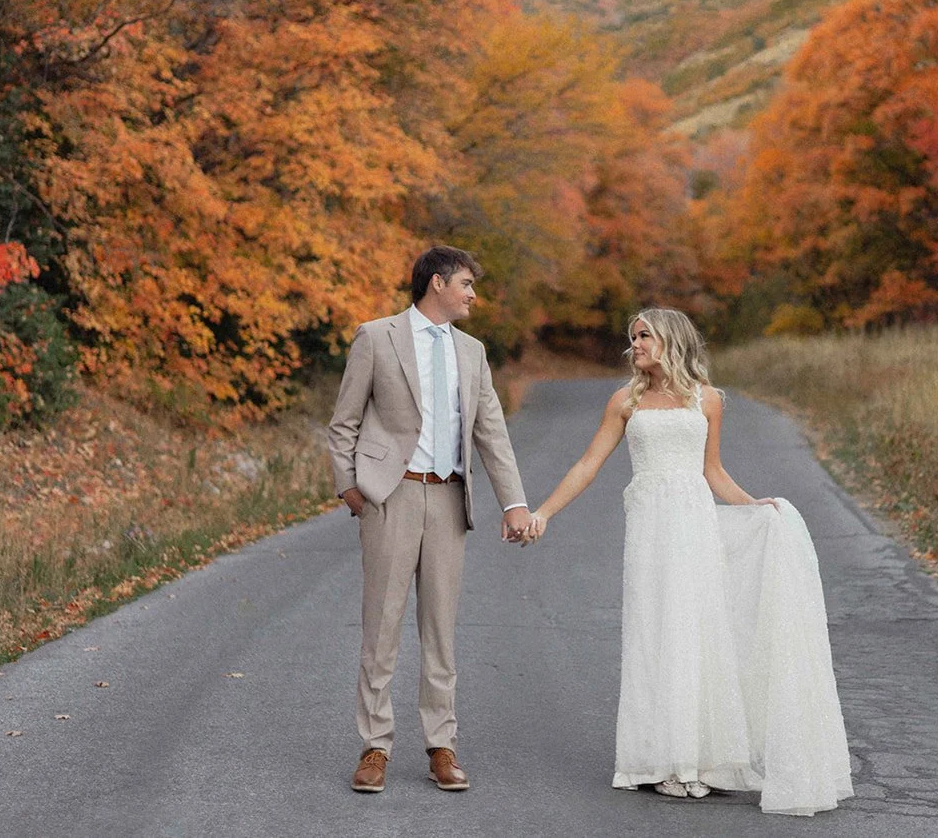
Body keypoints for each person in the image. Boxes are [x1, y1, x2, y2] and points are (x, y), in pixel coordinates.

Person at [523, 307, 853, 815]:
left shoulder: (709, 400)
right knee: (655, 634)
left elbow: (713, 471)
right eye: (632, 336)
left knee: (697, 634)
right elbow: (588, 464)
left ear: (670, 341)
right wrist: (543, 512)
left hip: (694, 526)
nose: (634, 344)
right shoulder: (624, 402)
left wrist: (755, 507)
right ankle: (657, 761)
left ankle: (699, 760)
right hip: (650, 529)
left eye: (644, 336)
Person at [327, 245, 531, 795]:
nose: (472, 294)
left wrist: (513, 502)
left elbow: (491, 431)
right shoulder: (377, 336)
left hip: (448, 499)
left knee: (440, 628)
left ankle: (442, 746)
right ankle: (375, 747)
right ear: (436, 283)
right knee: (382, 627)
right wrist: (352, 489)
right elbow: (343, 421)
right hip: (390, 496)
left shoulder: (472, 351)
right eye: (466, 283)